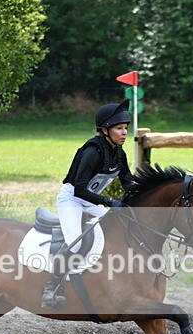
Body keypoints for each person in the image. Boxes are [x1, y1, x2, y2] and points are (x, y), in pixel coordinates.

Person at [40, 99, 135, 309]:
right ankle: (51, 288)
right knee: (75, 242)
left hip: (90, 200)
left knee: (115, 228)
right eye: (119, 128)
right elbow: (79, 189)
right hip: (72, 199)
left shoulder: (119, 154)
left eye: (125, 128)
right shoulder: (92, 151)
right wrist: (110, 202)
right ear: (105, 129)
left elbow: (128, 183)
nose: (124, 132)